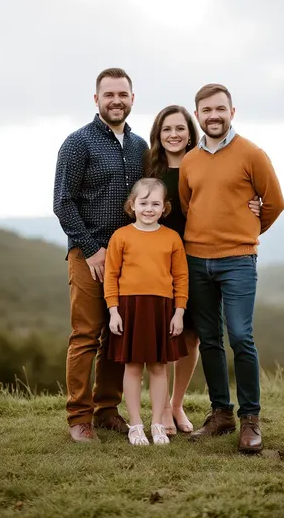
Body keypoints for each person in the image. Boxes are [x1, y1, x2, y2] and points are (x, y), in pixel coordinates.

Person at [179, 83, 284, 453]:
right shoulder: (190, 160)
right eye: (206, 110)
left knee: (240, 336)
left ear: (232, 111)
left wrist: (247, 231)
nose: (213, 115)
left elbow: (274, 203)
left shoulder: (251, 154)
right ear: (198, 115)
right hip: (196, 259)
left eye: (220, 109)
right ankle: (220, 413)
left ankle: (250, 418)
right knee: (209, 338)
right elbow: (188, 203)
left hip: (239, 259)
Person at [146, 105, 261, 436]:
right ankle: (163, 408)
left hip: (196, 257)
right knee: (167, 334)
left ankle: (178, 404)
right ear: (158, 133)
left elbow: (228, 199)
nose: (174, 134)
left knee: (194, 335)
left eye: (180, 128)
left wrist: (253, 214)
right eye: (167, 129)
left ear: (190, 130)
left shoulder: (200, 161)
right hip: (159, 261)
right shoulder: (149, 167)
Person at [53, 67, 148, 442]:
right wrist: (92, 251)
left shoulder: (141, 146)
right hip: (88, 254)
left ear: (132, 99)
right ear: (97, 99)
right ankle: (79, 417)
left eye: (122, 94)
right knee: (86, 335)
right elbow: (63, 203)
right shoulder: (78, 143)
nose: (116, 101)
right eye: (109, 95)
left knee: (116, 335)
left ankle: (107, 408)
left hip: (129, 255)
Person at [104, 178, 189, 445]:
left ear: (165, 207)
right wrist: (113, 311)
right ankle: (136, 425)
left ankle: (157, 425)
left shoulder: (172, 238)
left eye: (155, 203)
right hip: (130, 308)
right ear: (132, 205)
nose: (149, 209)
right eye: (143, 203)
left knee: (159, 367)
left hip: (162, 309)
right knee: (131, 367)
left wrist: (179, 312)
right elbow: (111, 275)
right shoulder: (121, 236)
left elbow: (181, 277)